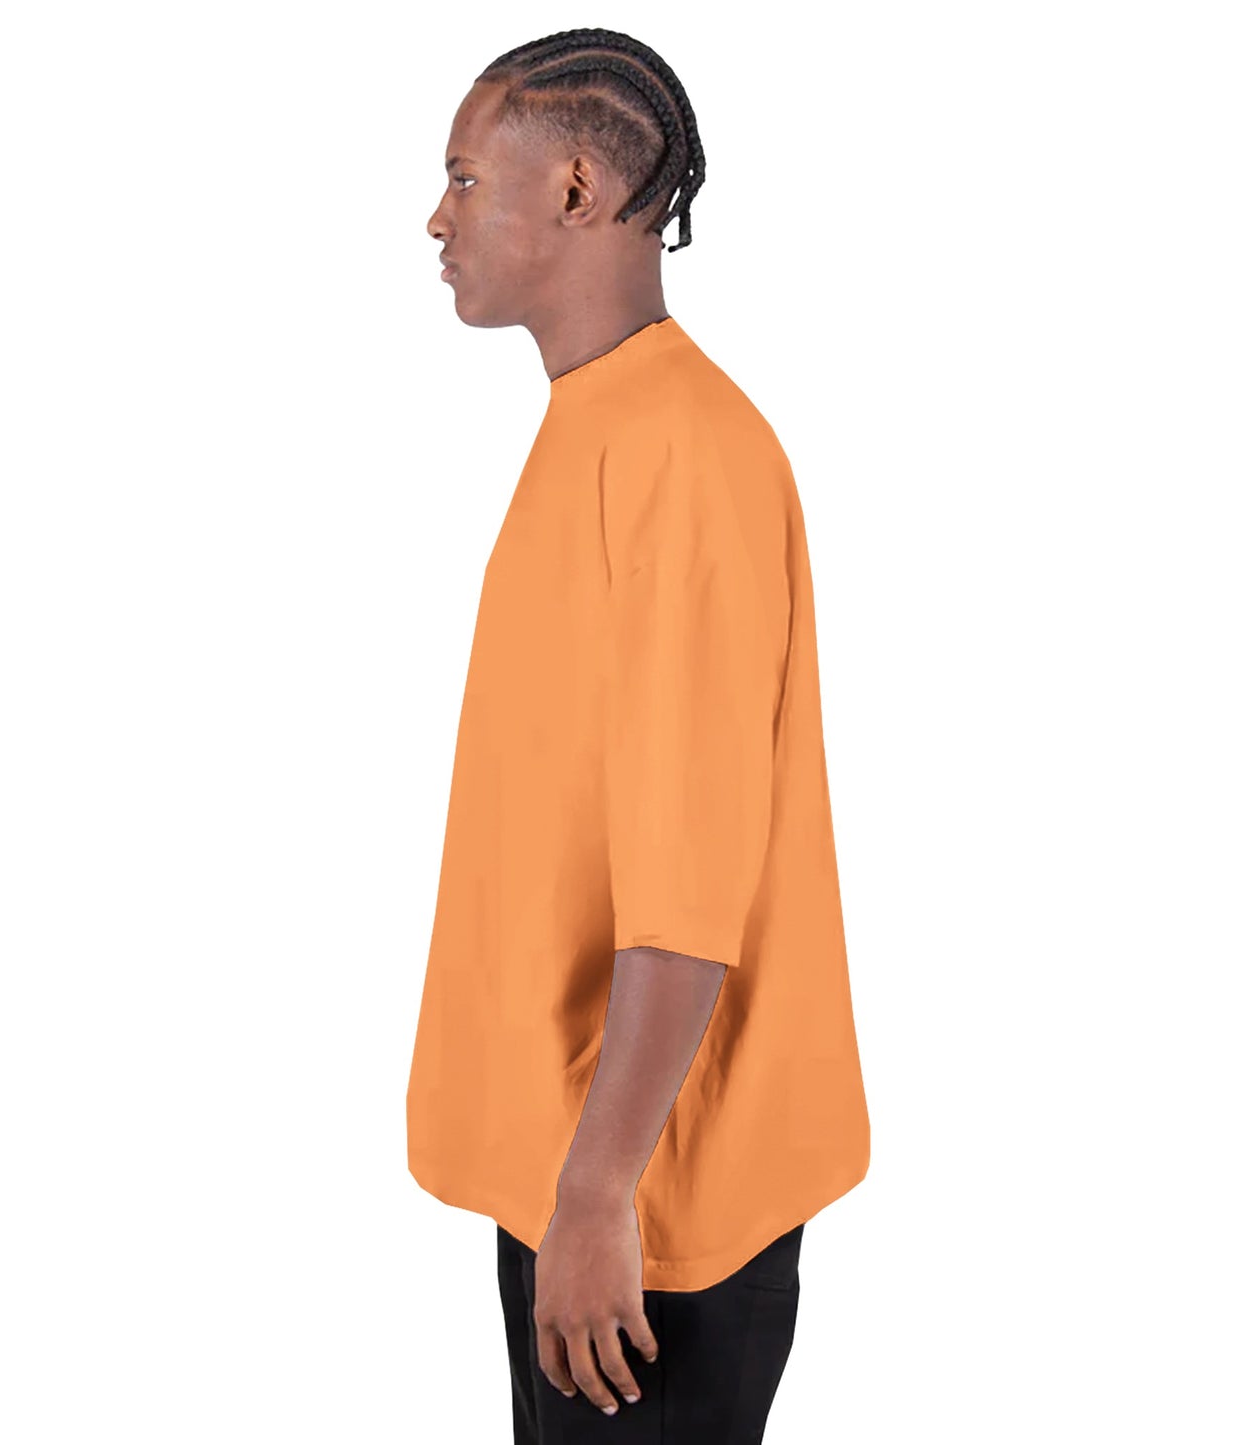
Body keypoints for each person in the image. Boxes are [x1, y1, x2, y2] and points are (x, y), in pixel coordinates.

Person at [407, 28, 870, 1443]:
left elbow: (688, 885)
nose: (434, 219)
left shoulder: (683, 452)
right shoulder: (600, 424)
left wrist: (601, 1195)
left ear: (574, 190)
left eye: (463, 177)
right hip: (581, 1168)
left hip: (649, 1210)